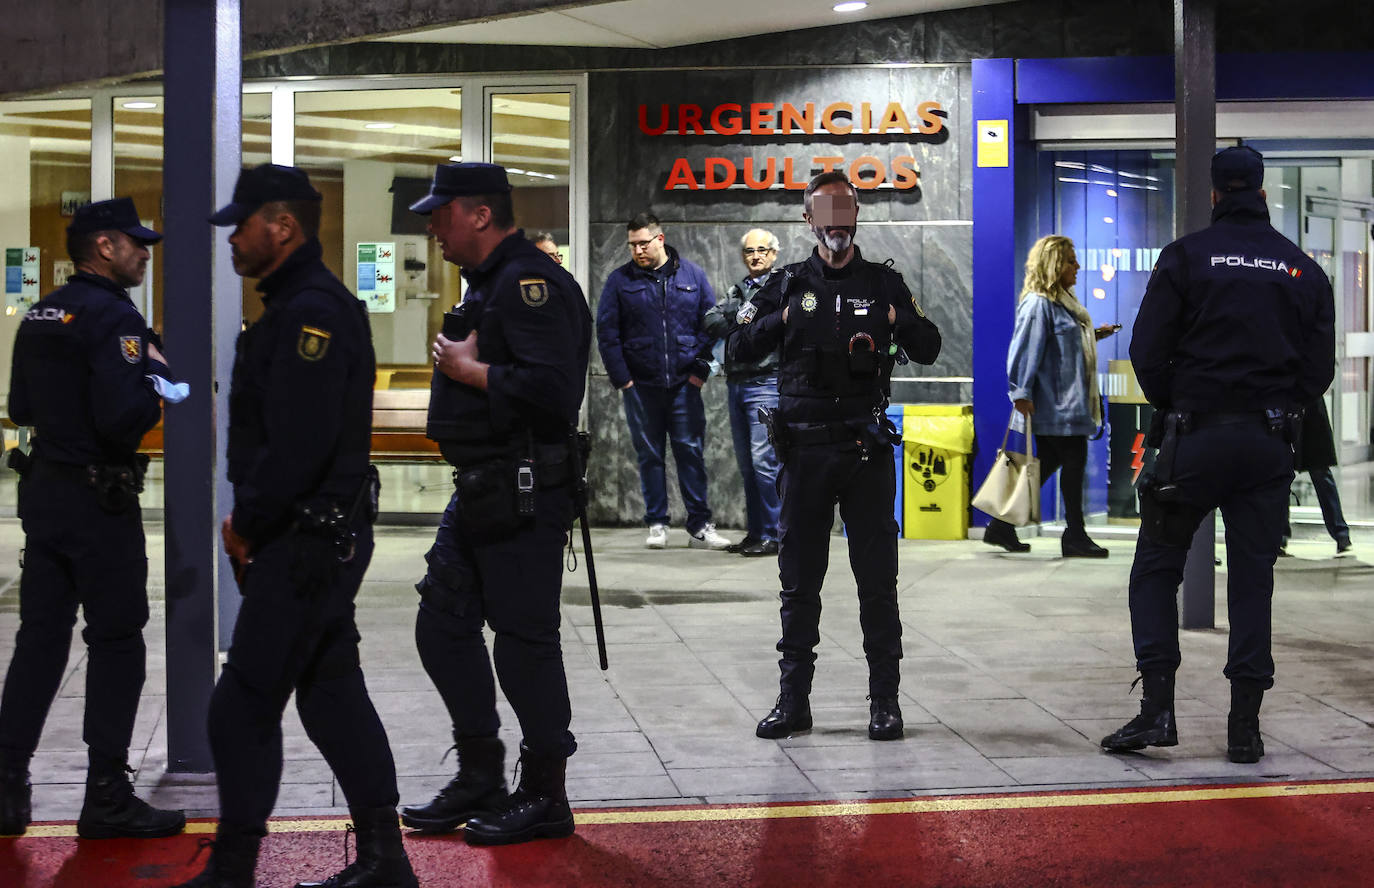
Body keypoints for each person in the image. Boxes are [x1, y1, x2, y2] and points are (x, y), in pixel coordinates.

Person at [176, 164, 415, 888]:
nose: (232, 238)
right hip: (311, 535)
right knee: (332, 692)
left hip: (308, 539)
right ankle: (385, 861)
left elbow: (298, 444)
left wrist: (247, 523)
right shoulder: (294, 304)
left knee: (241, 704)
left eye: (241, 224)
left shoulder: (313, 312)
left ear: (281, 227)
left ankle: (232, 870)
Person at [1100, 146, 1335, 764]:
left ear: (1212, 194)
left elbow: (1147, 351)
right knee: (1254, 580)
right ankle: (1244, 729)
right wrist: (1276, 406)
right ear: (1261, 191)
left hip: (1193, 440)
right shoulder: (1301, 269)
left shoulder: (1184, 258)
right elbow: (1318, 372)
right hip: (1265, 446)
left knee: (1156, 567)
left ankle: (1157, 711)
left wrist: (1184, 404)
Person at [400, 162, 591, 846]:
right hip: (483, 486)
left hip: (523, 490)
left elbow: (554, 391)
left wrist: (470, 372)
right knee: (441, 625)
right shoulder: (491, 282)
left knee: (523, 643)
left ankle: (544, 795)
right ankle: (481, 772)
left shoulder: (529, 284)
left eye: (440, 213)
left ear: (479, 214)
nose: (431, 226)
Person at [731, 171, 941, 741]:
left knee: (877, 581)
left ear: (856, 222)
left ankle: (885, 704)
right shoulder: (786, 283)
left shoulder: (884, 283)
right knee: (799, 582)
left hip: (864, 452)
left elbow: (929, 346)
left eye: (844, 228)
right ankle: (793, 700)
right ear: (807, 222)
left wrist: (902, 322)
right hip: (803, 454)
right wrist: (782, 320)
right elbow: (737, 346)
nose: (836, 239)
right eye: (826, 228)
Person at [0, 198, 186, 840]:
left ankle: (6, 785)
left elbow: (21, 402)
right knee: (116, 640)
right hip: (98, 501)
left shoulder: (41, 314)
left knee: (41, 639)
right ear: (103, 247)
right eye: (136, 243)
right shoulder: (115, 318)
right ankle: (107, 794)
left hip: (45, 495)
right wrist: (155, 382)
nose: (144, 252)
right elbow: (121, 418)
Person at [596, 212, 732, 550]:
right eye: (632, 245)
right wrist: (623, 380)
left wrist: (700, 372)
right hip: (640, 387)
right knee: (649, 455)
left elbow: (711, 327)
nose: (638, 251)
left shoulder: (693, 275)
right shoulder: (619, 281)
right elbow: (607, 333)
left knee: (690, 451)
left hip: (685, 385)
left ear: (660, 239)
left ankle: (700, 525)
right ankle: (657, 523)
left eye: (644, 243)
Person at [982, 235, 1117, 557]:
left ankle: (1002, 526)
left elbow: (1061, 347)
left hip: (1067, 405)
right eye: (1071, 261)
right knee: (1072, 465)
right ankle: (1075, 535)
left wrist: (1092, 334)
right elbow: (1024, 350)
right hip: (1055, 406)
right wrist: (1021, 393)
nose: (1078, 267)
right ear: (1055, 264)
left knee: (1051, 464)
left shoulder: (1062, 303)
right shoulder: (1038, 303)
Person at [700, 229, 784, 557]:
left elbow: (769, 327)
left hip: (765, 384)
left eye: (763, 250)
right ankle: (758, 532)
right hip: (736, 384)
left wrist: (739, 325)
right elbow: (709, 318)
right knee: (748, 464)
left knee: (765, 463)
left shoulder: (781, 288)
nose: (756, 256)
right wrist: (743, 326)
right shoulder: (740, 288)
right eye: (750, 251)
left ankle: (776, 535)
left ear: (774, 254)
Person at [1279, 397, 1351, 557]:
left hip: (1298, 407)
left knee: (1285, 476)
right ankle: (1341, 535)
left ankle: (1281, 537)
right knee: (1288, 476)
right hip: (1300, 406)